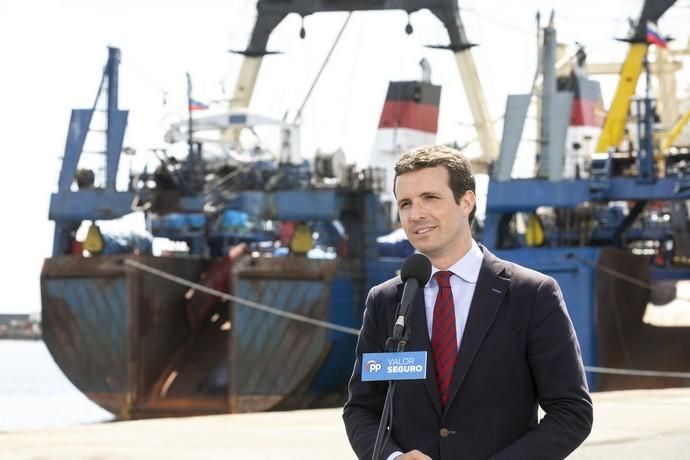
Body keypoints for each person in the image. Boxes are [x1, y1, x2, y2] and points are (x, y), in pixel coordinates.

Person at [343, 145, 593, 460]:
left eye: (430, 198)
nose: (415, 214)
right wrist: (392, 458)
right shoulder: (386, 300)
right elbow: (362, 408)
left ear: (466, 202)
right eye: (405, 203)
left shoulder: (532, 294)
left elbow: (572, 411)